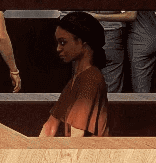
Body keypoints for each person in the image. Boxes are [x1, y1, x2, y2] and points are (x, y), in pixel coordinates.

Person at [38, 10, 113, 138]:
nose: (58, 48)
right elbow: (49, 127)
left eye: (63, 42)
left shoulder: (90, 80)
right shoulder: (76, 79)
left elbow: (76, 137)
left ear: (83, 43)